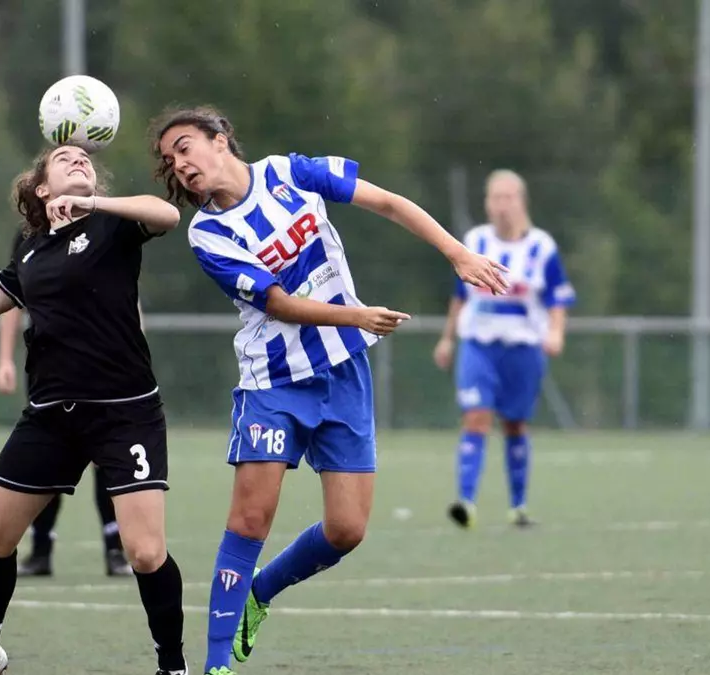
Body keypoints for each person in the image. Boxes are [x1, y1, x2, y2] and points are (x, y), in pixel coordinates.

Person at [150, 106, 508, 675]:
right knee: (250, 520)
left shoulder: (290, 172)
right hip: (274, 383)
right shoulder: (207, 233)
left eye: (185, 147)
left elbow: (387, 203)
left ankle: (260, 592)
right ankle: (216, 666)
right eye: (170, 160)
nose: (179, 164)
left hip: (344, 373)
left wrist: (457, 253)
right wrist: (356, 316)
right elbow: (277, 303)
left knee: (347, 530)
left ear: (220, 140)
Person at [0, 143, 188, 675]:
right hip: (51, 415)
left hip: (125, 412)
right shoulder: (32, 249)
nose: (79, 160)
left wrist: (95, 204)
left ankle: (173, 667)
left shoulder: (112, 225)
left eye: (85, 159)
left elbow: (167, 213)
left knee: (146, 553)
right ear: (41, 188)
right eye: (64, 158)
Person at [432, 170, 575, 529]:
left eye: (508, 197)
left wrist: (556, 332)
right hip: (478, 346)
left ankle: (518, 507)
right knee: (476, 416)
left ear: (521, 202)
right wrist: (447, 338)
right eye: (495, 198)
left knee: (514, 423)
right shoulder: (475, 241)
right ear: (486, 203)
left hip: (523, 349)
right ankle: (465, 502)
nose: (501, 206)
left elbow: (557, 298)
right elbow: (460, 296)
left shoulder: (541, 247)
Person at [0, 228, 133, 579]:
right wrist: (5, 359)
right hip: (50, 370)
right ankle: (40, 551)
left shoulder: (105, 226)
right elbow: (8, 298)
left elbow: (128, 296)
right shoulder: (29, 236)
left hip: (104, 368)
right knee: (48, 457)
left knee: (105, 458)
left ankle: (115, 550)